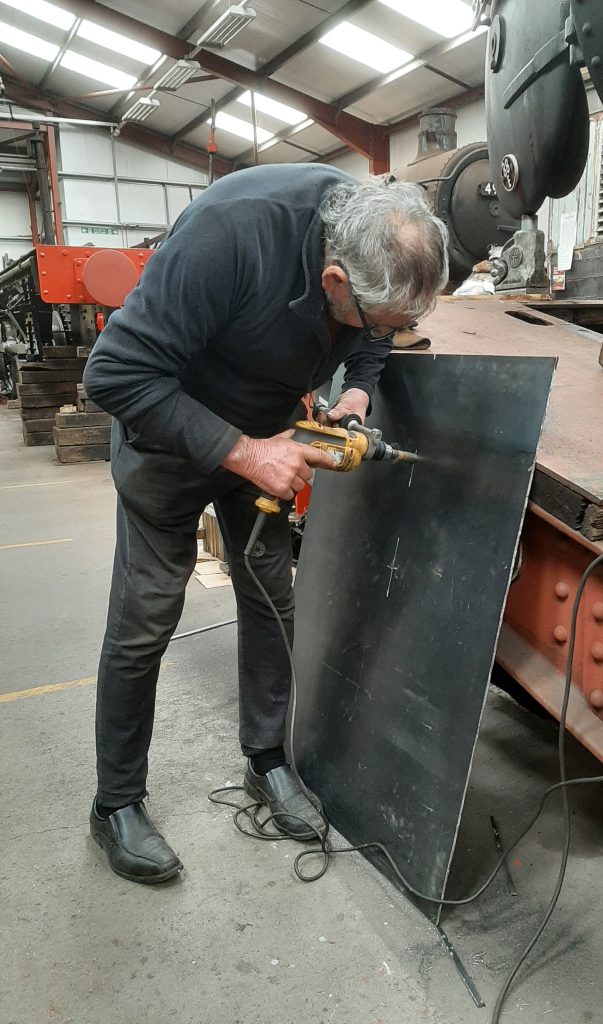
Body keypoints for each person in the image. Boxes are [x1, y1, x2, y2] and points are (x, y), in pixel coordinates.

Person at [82, 163, 449, 884]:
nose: (386, 332)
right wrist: (246, 453)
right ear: (334, 280)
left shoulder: (372, 236)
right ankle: (116, 804)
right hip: (168, 433)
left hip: (269, 436)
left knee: (271, 598)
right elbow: (114, 374)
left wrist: (357, 396)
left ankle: (267, 761)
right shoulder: (230, 236)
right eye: (378, 317)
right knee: (146, 616)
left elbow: (375, 335)